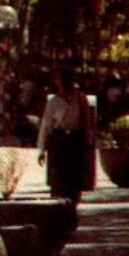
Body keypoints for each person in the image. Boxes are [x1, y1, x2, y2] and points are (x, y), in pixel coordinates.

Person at [37, 69, 93, 202]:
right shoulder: (53, 100)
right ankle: (58, 203)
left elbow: (86, 121)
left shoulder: (80, 98)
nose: (60, 83)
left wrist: (88, 142)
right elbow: (46, 124)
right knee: (58, 175)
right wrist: (42, 149)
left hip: (74, 139)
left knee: (74, 177)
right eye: (58, 80)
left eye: (63, 81)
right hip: (58, 139)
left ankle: (72, 202)